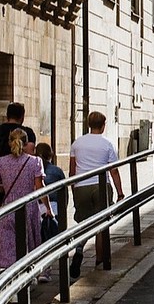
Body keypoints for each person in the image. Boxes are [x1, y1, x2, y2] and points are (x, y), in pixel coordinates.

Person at [67, 111, 124, 279]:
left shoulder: (77, 144)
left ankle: (78, 250)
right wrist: (120, 192)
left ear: (89, 124)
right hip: (101, 186)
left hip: (81, 186)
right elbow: (113, 170)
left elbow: (72, 171)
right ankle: (100, 260)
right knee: (101, 224)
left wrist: (74, 190)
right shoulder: (107, 144)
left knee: (83, 222)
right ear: (103, 125)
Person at [0, 129, 51, 274]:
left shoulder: (0, 162)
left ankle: (11, 277)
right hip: (29, 209)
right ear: (26, 143)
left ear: (10, 143)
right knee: (29, 245)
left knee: (9, 248)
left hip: (8, 209)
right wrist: (48, 208)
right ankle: (29, 275)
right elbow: (40, 187)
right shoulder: (35, 161)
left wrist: (5, 188)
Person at [0, 102, 37, 212]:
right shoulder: (27, 133)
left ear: (7, 115)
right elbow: (30, 156)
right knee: (21, 217)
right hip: (20, 186)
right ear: (22, 116)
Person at [35, 141, 67, 240]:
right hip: (55, 208)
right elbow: (64, 193)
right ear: (51, 155)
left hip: (38, 209)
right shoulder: (57, 171)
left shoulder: (33, 169)